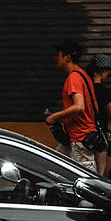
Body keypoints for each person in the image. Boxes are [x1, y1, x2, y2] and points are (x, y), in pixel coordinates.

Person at [44, 39, 98, 172]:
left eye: (59, 54)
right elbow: (94, 107)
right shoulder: (84, 76)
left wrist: (55, 116)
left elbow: (79, 107)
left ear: (67, 57)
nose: (55, 57)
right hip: (74, 137)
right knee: (56, 167)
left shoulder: (74, 77)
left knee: (86, 178)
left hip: (80, 138)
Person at [86, 53, 111, 177]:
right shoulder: (104, 92)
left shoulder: (84, 89)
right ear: (103, 71)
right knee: (99, 172)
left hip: (84, 133)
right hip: (99, 135)